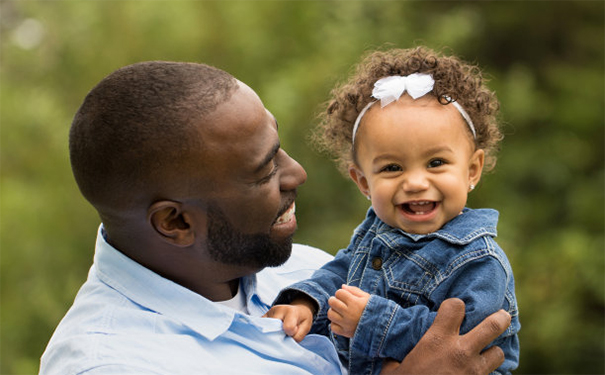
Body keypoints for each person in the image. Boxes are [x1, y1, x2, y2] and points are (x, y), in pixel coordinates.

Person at [39, 60, 511, 374]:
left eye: (278, 148)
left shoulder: (301, 270)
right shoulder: (113, 363)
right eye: (263, 171)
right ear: (176, 223)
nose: (298, 173)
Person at [266, 47, 520, 375]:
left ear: (472, 170)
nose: (415, 182)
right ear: (363, 182)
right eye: (392, 167)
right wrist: (307, 302)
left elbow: (466, 343)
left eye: (436, 163)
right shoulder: (378, 229)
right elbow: (342, 272)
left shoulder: (479, 260)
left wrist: (371, 320)